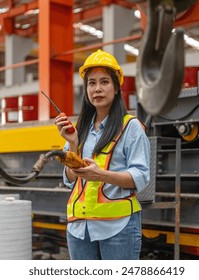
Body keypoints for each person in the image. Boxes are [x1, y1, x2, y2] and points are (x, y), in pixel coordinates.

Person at [54, 49, 150, 260]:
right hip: (79, 228)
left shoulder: (131, 127)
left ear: (116, 88)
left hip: (118, 227)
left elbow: (141, 177)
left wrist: (103, 175)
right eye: (91, 83)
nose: (97, 89)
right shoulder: (79, 129)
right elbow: (70, 179)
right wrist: (72, 144)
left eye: (104, 82)